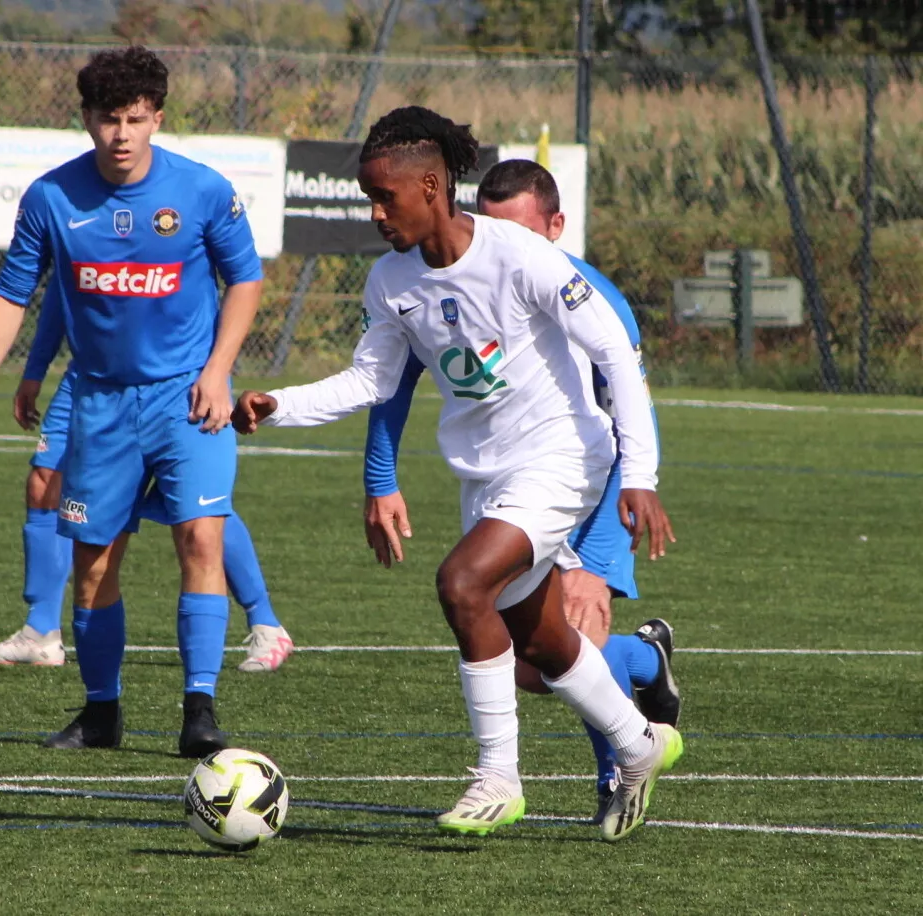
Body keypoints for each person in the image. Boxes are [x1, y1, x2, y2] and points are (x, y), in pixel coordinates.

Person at [233, 106, 681, 842]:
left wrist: (642, 474)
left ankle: (498, 776)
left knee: (461, 583)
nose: (376, 214)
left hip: (563, 456)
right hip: (488, 478)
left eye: (386, 198)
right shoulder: (391, 281)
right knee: (537, 642)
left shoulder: (524, 258)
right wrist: (274, 404)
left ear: (434, 187)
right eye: (369, 200)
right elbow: (371, 381)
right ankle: (639, 745)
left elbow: (614, 356)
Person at [0, 46, 264, 758]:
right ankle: (101, 713)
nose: (120, 134)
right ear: (85, 119)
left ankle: (199, 710)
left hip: (186, 399)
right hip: (99, 404)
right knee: (94, 560)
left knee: (201, 538)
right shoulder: (51, 198)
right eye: (106, 119)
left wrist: (219, 369)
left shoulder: (203, 191)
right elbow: (12, 292)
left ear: (157, 118)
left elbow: (245, 279)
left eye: (134, 118)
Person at [360, 158, 681, 823]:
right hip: (504, 482)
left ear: (556, 227)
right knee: (531, 658)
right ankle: (642, 682)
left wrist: (597, 557)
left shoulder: (581, 295)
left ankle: (610, 778)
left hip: (584, 486)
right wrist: (380, 476)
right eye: (487, 223)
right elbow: (394, 381)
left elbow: (624, 416)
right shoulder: (438, 275)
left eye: (520, 231)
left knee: (491, 600)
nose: (495, 243)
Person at [0, 283, 294, 673]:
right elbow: (60, 290)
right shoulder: (64, 220)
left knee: (191, 507)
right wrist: (34, 370)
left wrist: (216, 367)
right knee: (44, 483)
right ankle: (40, 631)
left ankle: (266, 622)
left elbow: (239, 278)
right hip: (92, 374)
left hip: (171, 375)